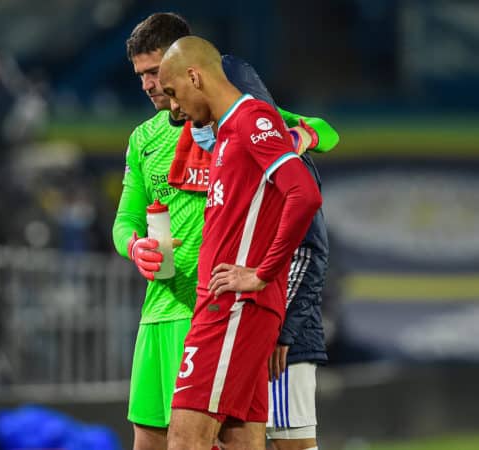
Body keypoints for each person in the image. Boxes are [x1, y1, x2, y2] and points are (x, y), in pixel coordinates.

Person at [112, 13, 337, 450]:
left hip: (225, 307)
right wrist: (134, 247)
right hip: (168, 309)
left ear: (188, 69)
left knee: (194, 440)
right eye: (141, 77)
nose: (153, 90)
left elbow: (312, 173)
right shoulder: (149, 138)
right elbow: (125, 221)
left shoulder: (244, 119)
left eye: (159, 76)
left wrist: (300, 136)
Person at [158, 35, 322, 450]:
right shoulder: (229, 131)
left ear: (195, 76)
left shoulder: (252, 119)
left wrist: (262, 275)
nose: (174, 108)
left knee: (184, 439)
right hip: (232, 308)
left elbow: (304, 194)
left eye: (174, 94)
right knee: (240, 440)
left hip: (231, 308)